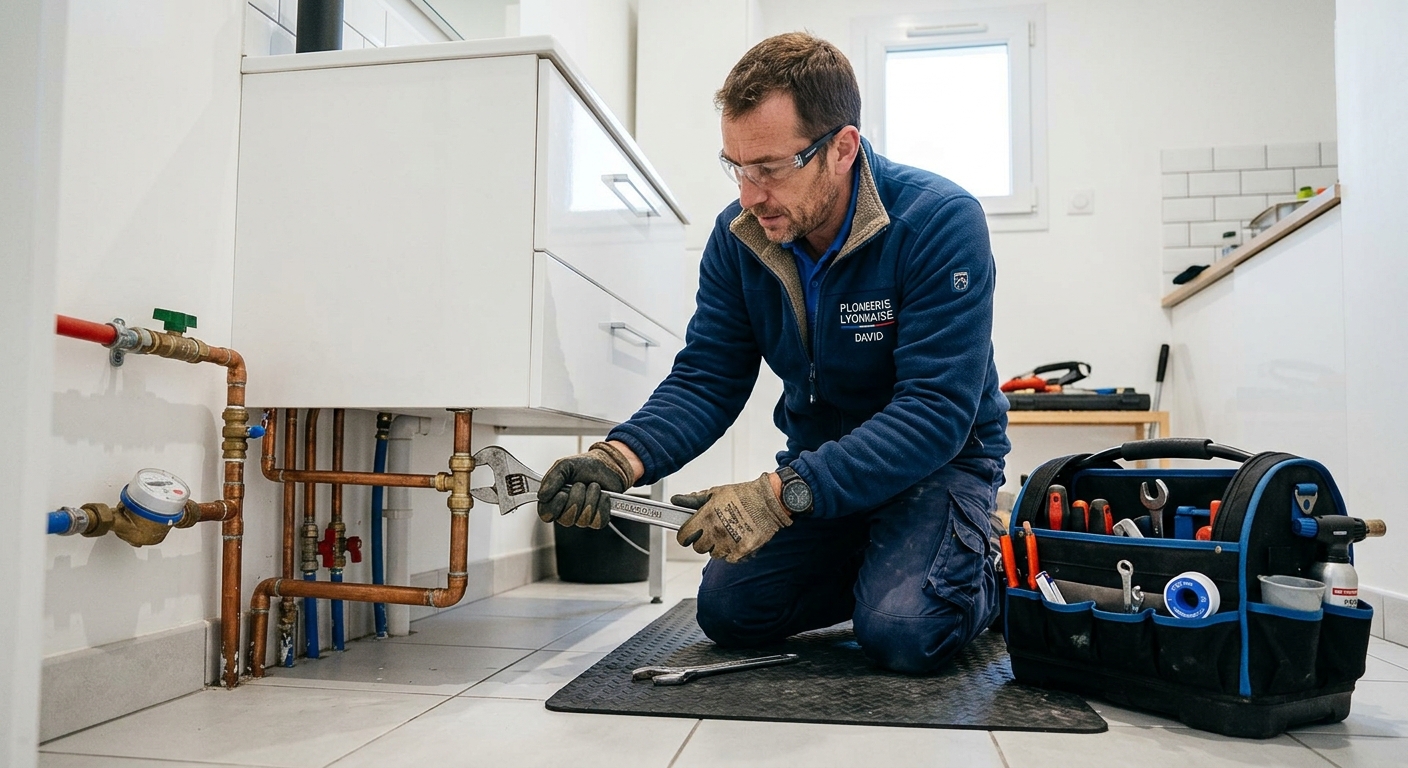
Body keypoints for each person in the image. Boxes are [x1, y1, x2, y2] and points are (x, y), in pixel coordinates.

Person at [535, 31, 1009, 674]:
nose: (749, 194)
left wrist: (781, 495)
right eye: (735, 166)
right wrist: (619, 459)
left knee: (903, 633)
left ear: (842, 148)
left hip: (938, 470)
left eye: (769, 169)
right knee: (731, 613)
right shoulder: (740, 238)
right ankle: (898, 573)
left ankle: (975, 568)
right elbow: (709, 375)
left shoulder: (937, 222)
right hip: (822, 474)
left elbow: (934, 414)